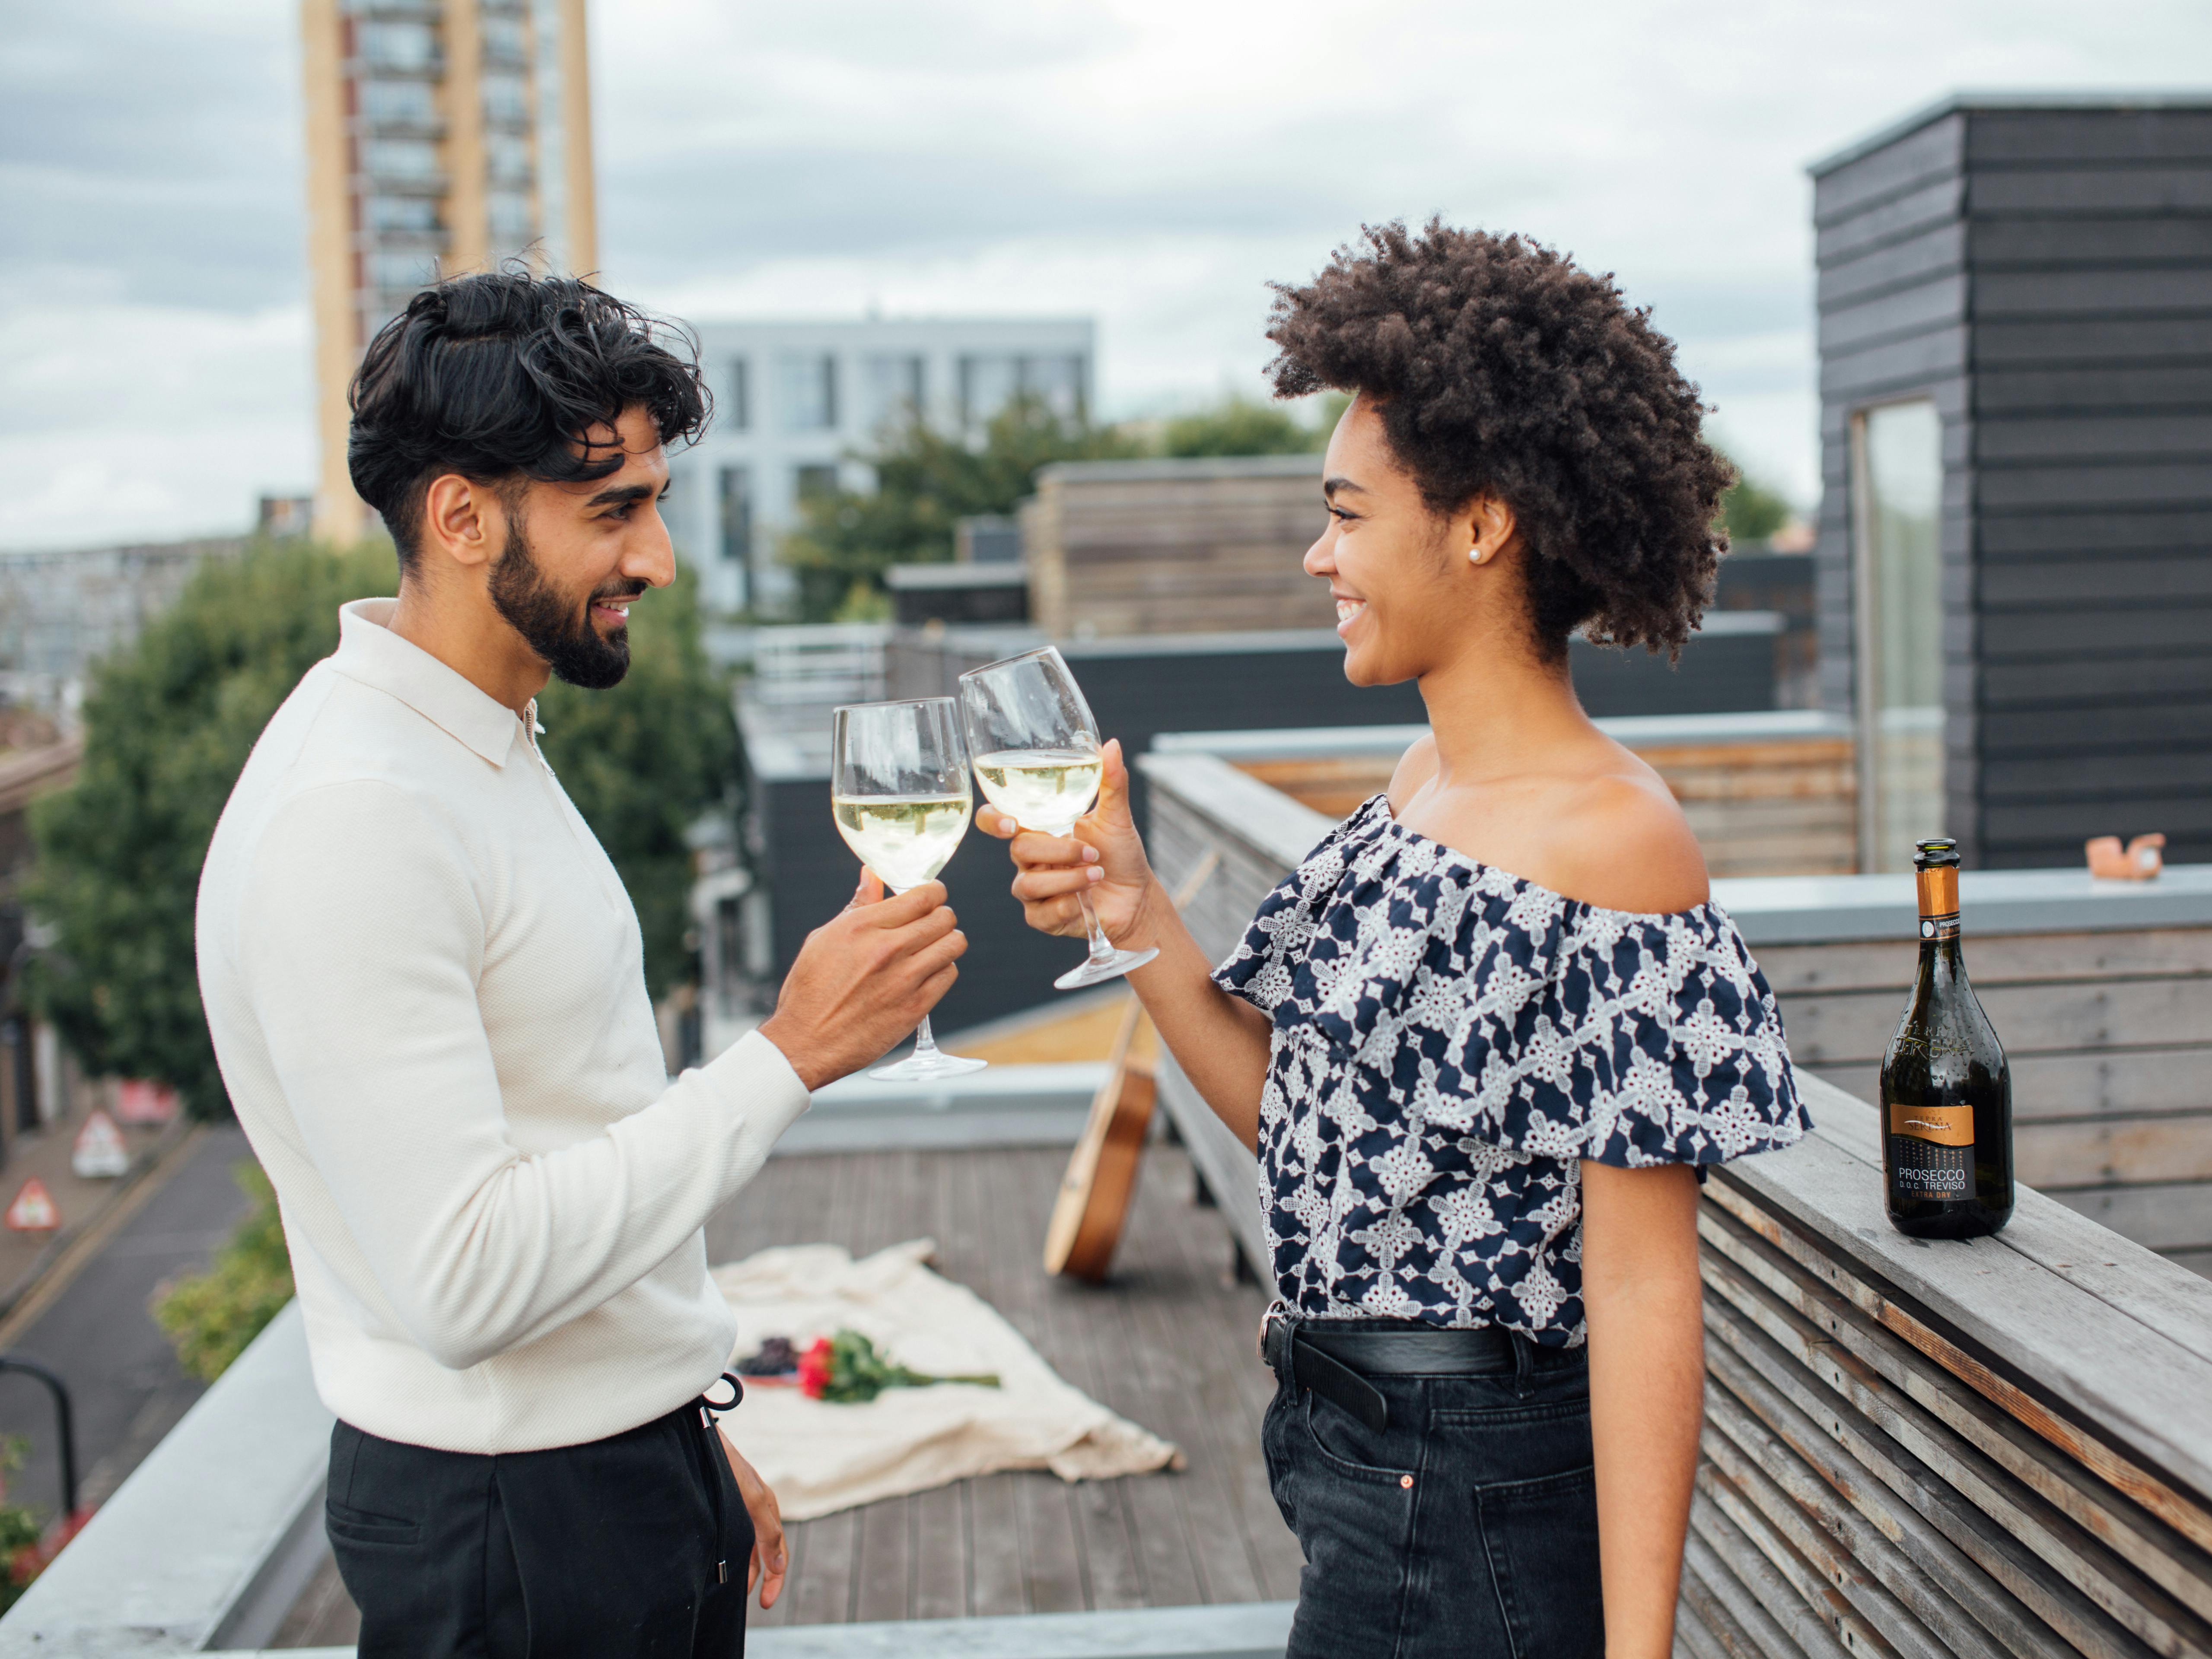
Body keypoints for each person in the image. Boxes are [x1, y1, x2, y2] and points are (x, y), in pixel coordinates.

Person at [980, 222, 1807, 1658]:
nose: (1320, 555)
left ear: (1481, 523)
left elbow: (1642, 1286)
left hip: (1472, 1496)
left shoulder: (1614, 842)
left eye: (1350, 513)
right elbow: (1304, 1133)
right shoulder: (1425, 785)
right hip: (1349, 1457)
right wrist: (1135, 905)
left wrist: (1640, 1653)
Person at [194, 269, 967, 1657]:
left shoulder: (474, 737)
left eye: (656, 501)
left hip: (595, 1483)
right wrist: (787, 1054)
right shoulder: (358, 812)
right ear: (461, 514)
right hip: (519, 1531)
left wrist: (666, 1430)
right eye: (614, 509)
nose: (660, 558)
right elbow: (466, 1282)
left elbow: (570, 1116)